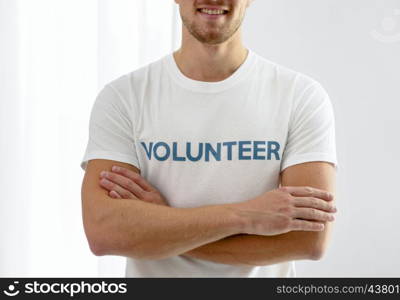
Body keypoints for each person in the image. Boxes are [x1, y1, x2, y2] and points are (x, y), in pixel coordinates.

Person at [80, 0, 338, 277]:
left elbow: (310, 240)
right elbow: (105, 232)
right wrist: (245, 215)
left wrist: (165, 225)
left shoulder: (300, 96)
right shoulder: (124, 97)